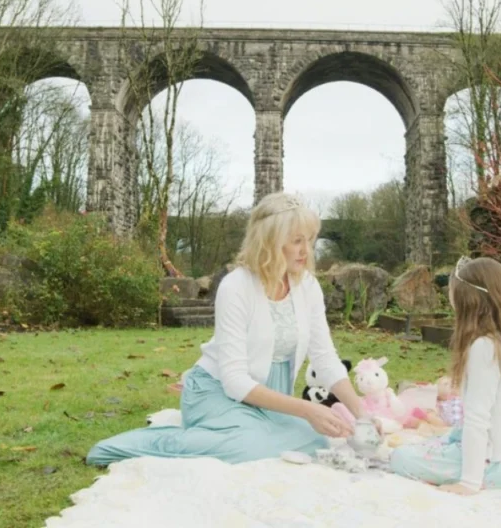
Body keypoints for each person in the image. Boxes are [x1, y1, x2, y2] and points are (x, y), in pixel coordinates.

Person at [87, 192, 369, 466]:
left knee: (315, 441)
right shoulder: (237, 286)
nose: (306, 251)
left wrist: (362, 413)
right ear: (270, 241)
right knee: (249, 448)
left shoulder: (306, 286)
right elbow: (234, 381)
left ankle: (245, 434)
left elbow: (325, 359)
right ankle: (158, 442)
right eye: (297, 241)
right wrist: (307, 408)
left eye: (309, 240)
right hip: (216, 391)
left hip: (269, 399)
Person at [389, 256, 501, 495]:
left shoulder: (484, 346)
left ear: (468, 300)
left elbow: (477, 418)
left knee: (401, 457)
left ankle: (470, 469)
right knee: (436, 441)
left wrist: (469, 482)